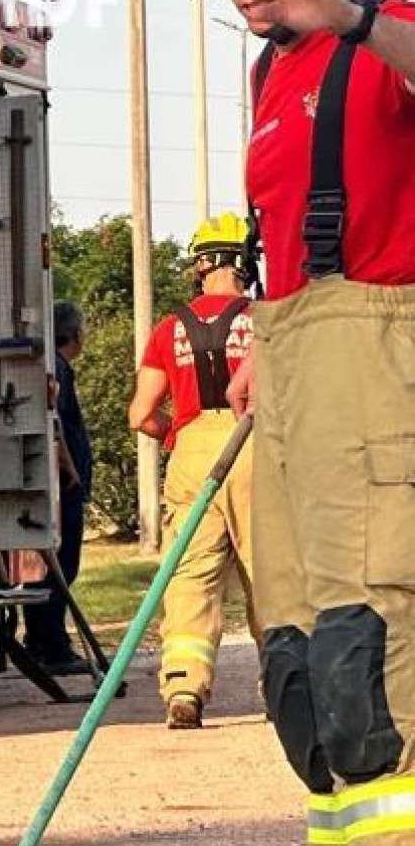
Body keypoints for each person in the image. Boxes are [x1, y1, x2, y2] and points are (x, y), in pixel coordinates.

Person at [153, 0, 415, 846]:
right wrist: (259, 348)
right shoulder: (270, 76)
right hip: (299, 357)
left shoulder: (378, 33)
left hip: (382, 351)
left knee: (387, 642)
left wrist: (352, 16)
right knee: (308, 657)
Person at [126, 217, 258, 727]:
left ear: (204, 263)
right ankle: (284, 686)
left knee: (189, 575)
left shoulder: (169, 328)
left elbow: (140, 414)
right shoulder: (265, 320)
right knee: (268, 573)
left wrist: (178, 436)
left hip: (192, 453)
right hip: (255, 445)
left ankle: (184, 688)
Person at [23, 300, 96, 677]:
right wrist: (69, 467)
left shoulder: (54, 366)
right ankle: (50, 645)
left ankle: (44, 640)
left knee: (56, 565)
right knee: (61, 565)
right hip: (62, 484)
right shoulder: (59, 370)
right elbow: (56, 424)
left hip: (58, 481)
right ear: (76, 334)